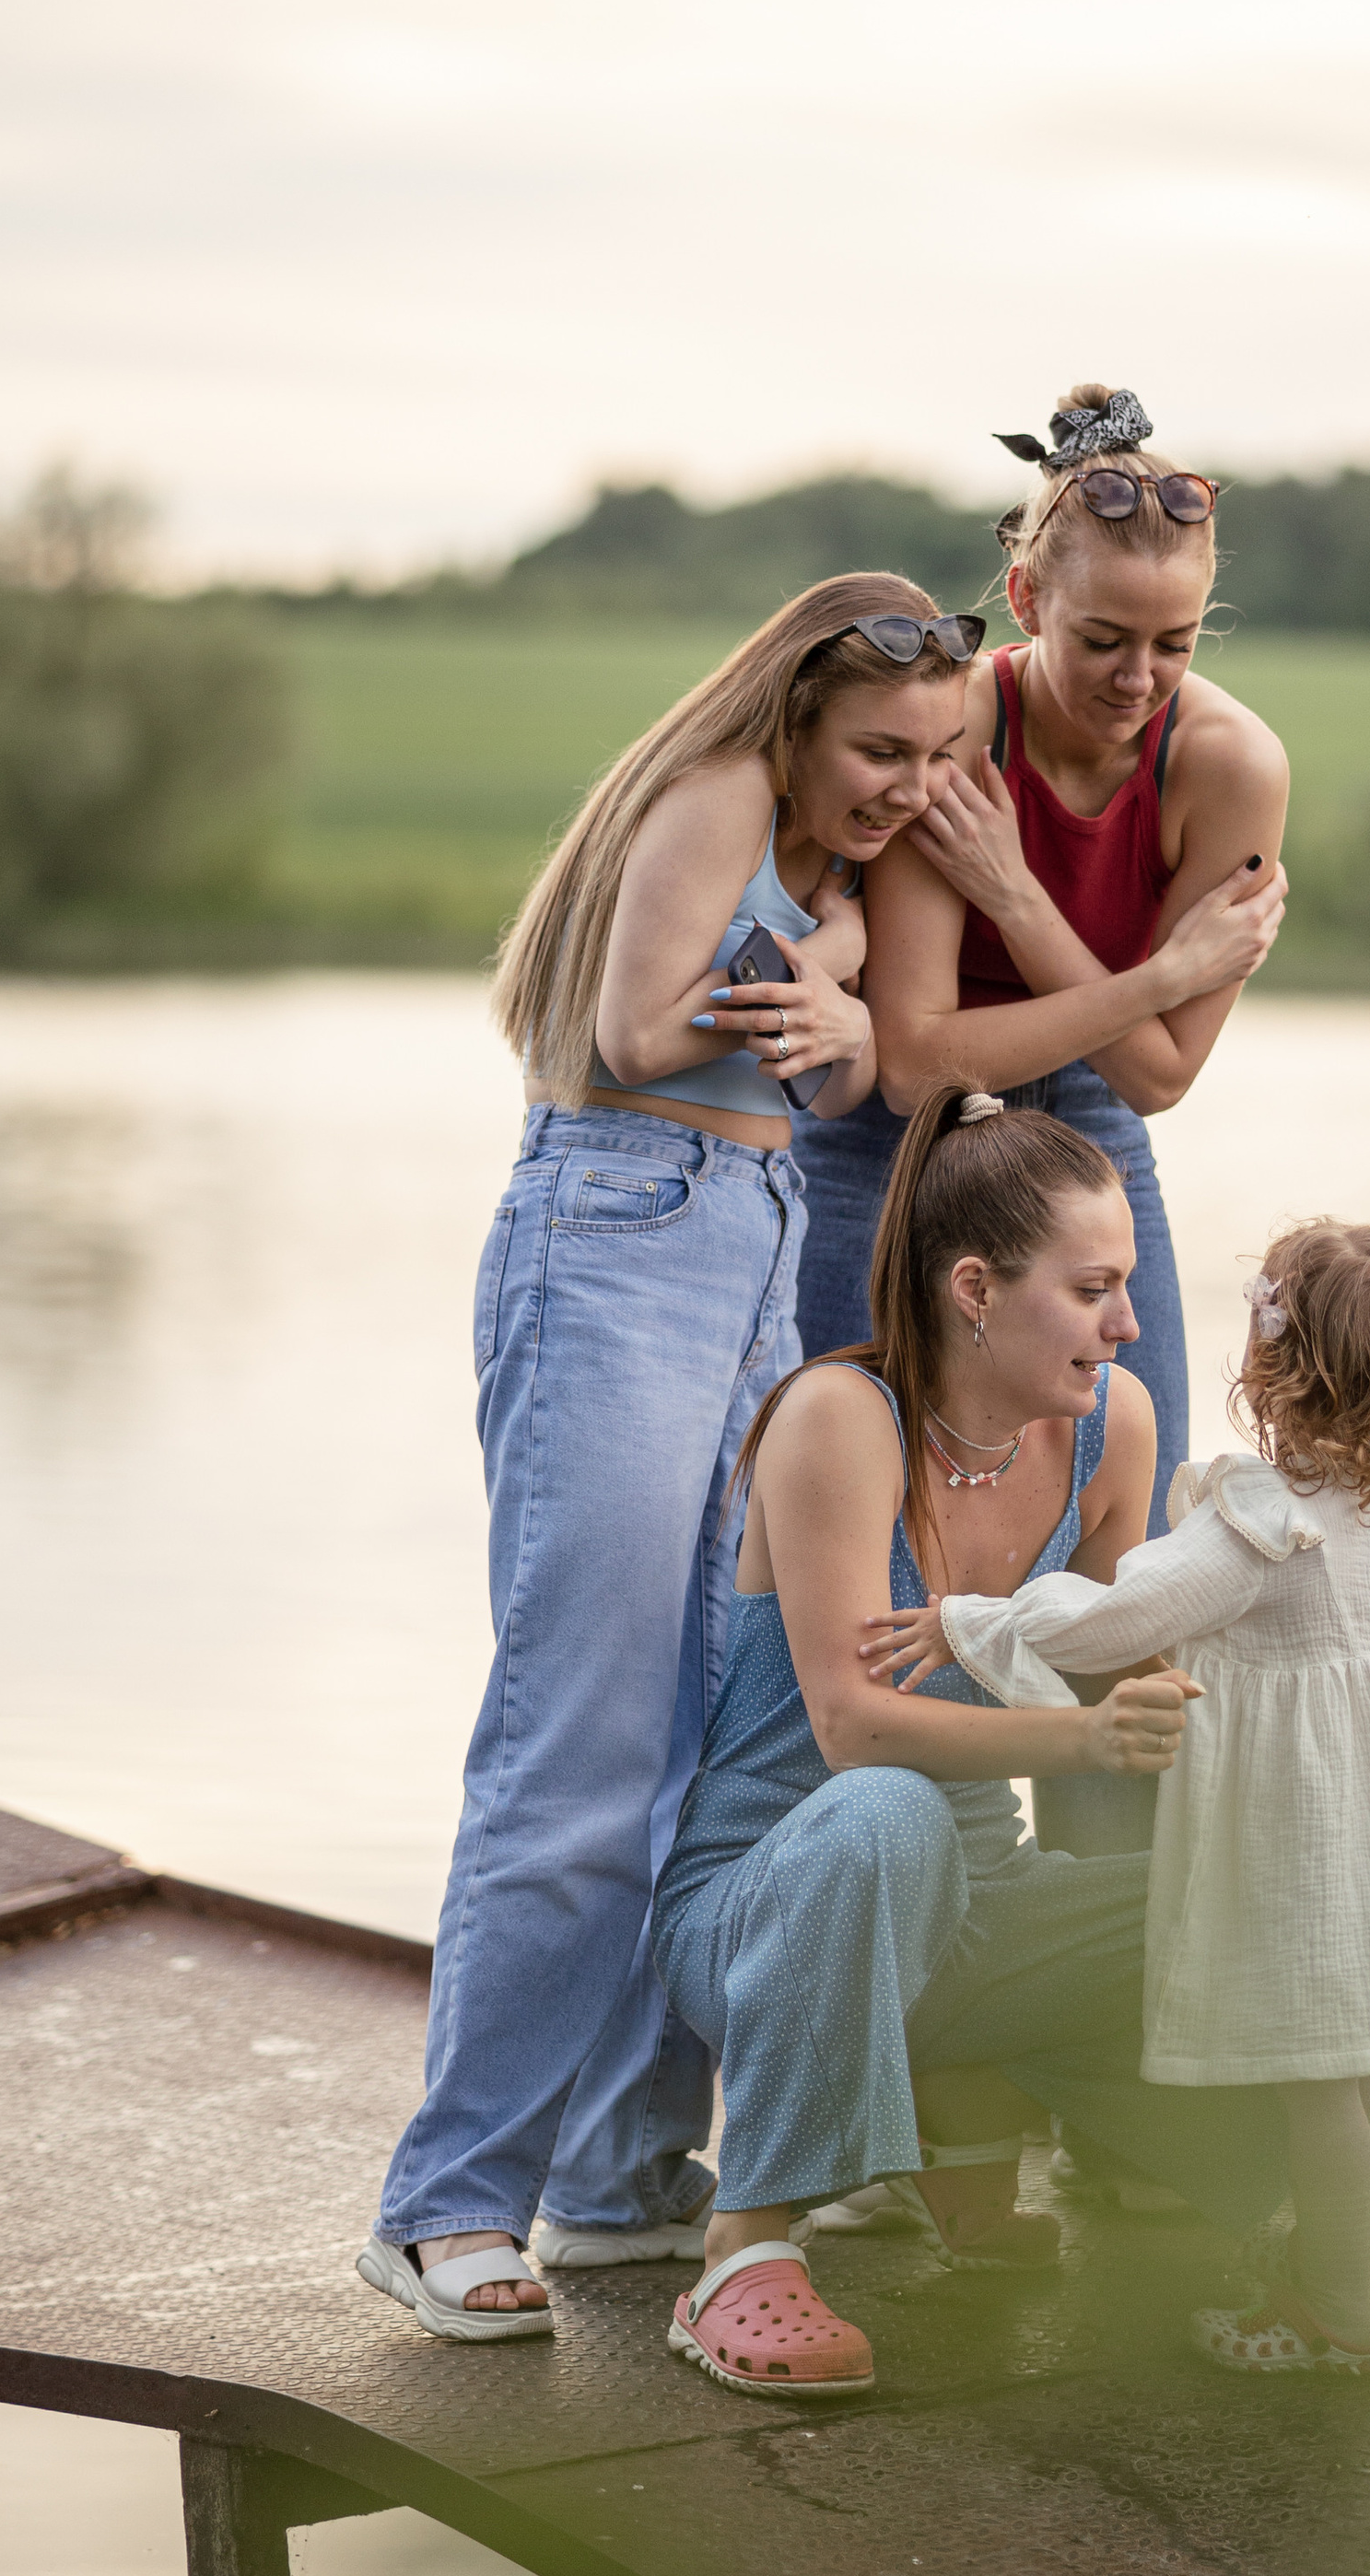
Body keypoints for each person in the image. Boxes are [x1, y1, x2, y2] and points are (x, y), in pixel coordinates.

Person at [360, 577, 977, 2341]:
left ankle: (622, 2183)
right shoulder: (715, 793)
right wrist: (822, 1004)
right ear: (791, 712)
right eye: (878, 748)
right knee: (587, 1733)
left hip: (754, 1239)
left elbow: (829, 1074)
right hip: (618, 1229)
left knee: (714, 1726)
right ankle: (449, 2205)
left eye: (935, 756)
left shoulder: (839, 860)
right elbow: (638, 1037)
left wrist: (852, 1025)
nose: (904, 784)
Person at [649, 1084, 1287, 2398]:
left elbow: (1136, 1656)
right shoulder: (840, 1418)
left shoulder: (1113, 1428)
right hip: (776, 1903)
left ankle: (998, 2112)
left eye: (1123, 1288)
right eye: (1093, 1286)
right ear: (976, 1289)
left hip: (981, 1907)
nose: (1128, 1321)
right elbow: (849, 1725)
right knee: (889, 1816)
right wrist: (1092, 1747)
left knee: (1245, 1894)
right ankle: (744, 2250)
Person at [872, 1217, 1370, 2377]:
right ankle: (1340, 2272)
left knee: (1312, 2073)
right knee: (1351, 2063)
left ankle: (1333, 2310)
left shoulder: (1257, 1527)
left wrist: (968, 1618)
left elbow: (1114, 1616)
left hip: (1294, 1835)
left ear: (1272, 1366)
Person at [792, 381, 1290, 1860]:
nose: (1141, 678)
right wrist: (1151, 977)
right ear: (1022, 597)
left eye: (1176, 645)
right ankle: (888, 1887)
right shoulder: (957, 737)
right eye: (1101, 641)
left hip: (1081, 1116)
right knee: (860, 1486)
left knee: (1123, 1545)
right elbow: (920, 1062)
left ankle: (1096, 1952)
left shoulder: (1230, 765)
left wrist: (1020, 899)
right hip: (888, 1147)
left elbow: (1154, 1078)